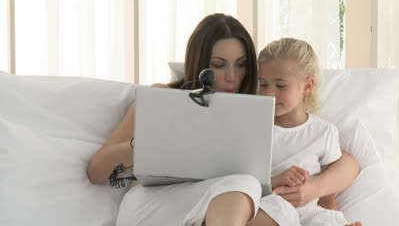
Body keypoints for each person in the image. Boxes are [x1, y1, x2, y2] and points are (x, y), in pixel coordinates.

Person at [87, 13, 360, 225]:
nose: (231, 76)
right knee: (246, 183)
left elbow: (345, 163)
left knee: (283, 213)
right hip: (157, 206)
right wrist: (151, 140)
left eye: (241, 64)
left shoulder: (258, 108)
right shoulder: (163, 97)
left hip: (223, 211)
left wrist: (312, 189)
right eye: (219, 65)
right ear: (200, 63)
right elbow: (98, 171)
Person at [256, 37, 362, 225]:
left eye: (280, 86)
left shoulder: (323, 132)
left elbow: (327, 196)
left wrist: (336, 220)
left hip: (310, 214)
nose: (269, 93)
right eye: (263, 84)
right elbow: (245, 182)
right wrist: (276, 180)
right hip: (271, 210)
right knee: (278, 210)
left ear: (307, 86)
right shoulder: (256, 128)